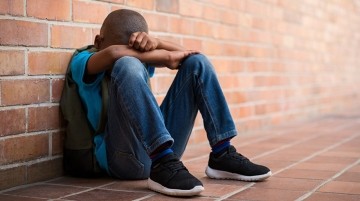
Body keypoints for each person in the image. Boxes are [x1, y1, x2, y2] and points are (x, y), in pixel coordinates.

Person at [69, 9, 271, 197]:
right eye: (129, 50)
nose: (136, 57)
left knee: (197, 63)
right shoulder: (84, 61)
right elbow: (114, 54)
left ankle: (222, 153)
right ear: (98, 41)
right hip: (122, 160)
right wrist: (165, 57)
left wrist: (156, 42)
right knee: (126, 64)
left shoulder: (139, 60)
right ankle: (162, 162)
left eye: (138, 52)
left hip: (165, 154)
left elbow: (189, 54)